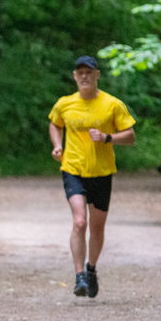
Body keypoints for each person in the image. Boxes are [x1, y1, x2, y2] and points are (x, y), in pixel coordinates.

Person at [48, 56, 136, 298]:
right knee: (79, 221)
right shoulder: (64, 104)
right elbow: (55, 124)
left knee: (97, 227)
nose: (84, 76)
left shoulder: (112, 104)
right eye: (80, 72)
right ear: (75, 77)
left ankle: (92, 269)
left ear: (97, 75)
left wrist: (108, 137)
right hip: (73, 169)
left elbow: (130, 135)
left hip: (102, 172)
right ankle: (79, 277)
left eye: (89, 71)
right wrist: (57, 145)